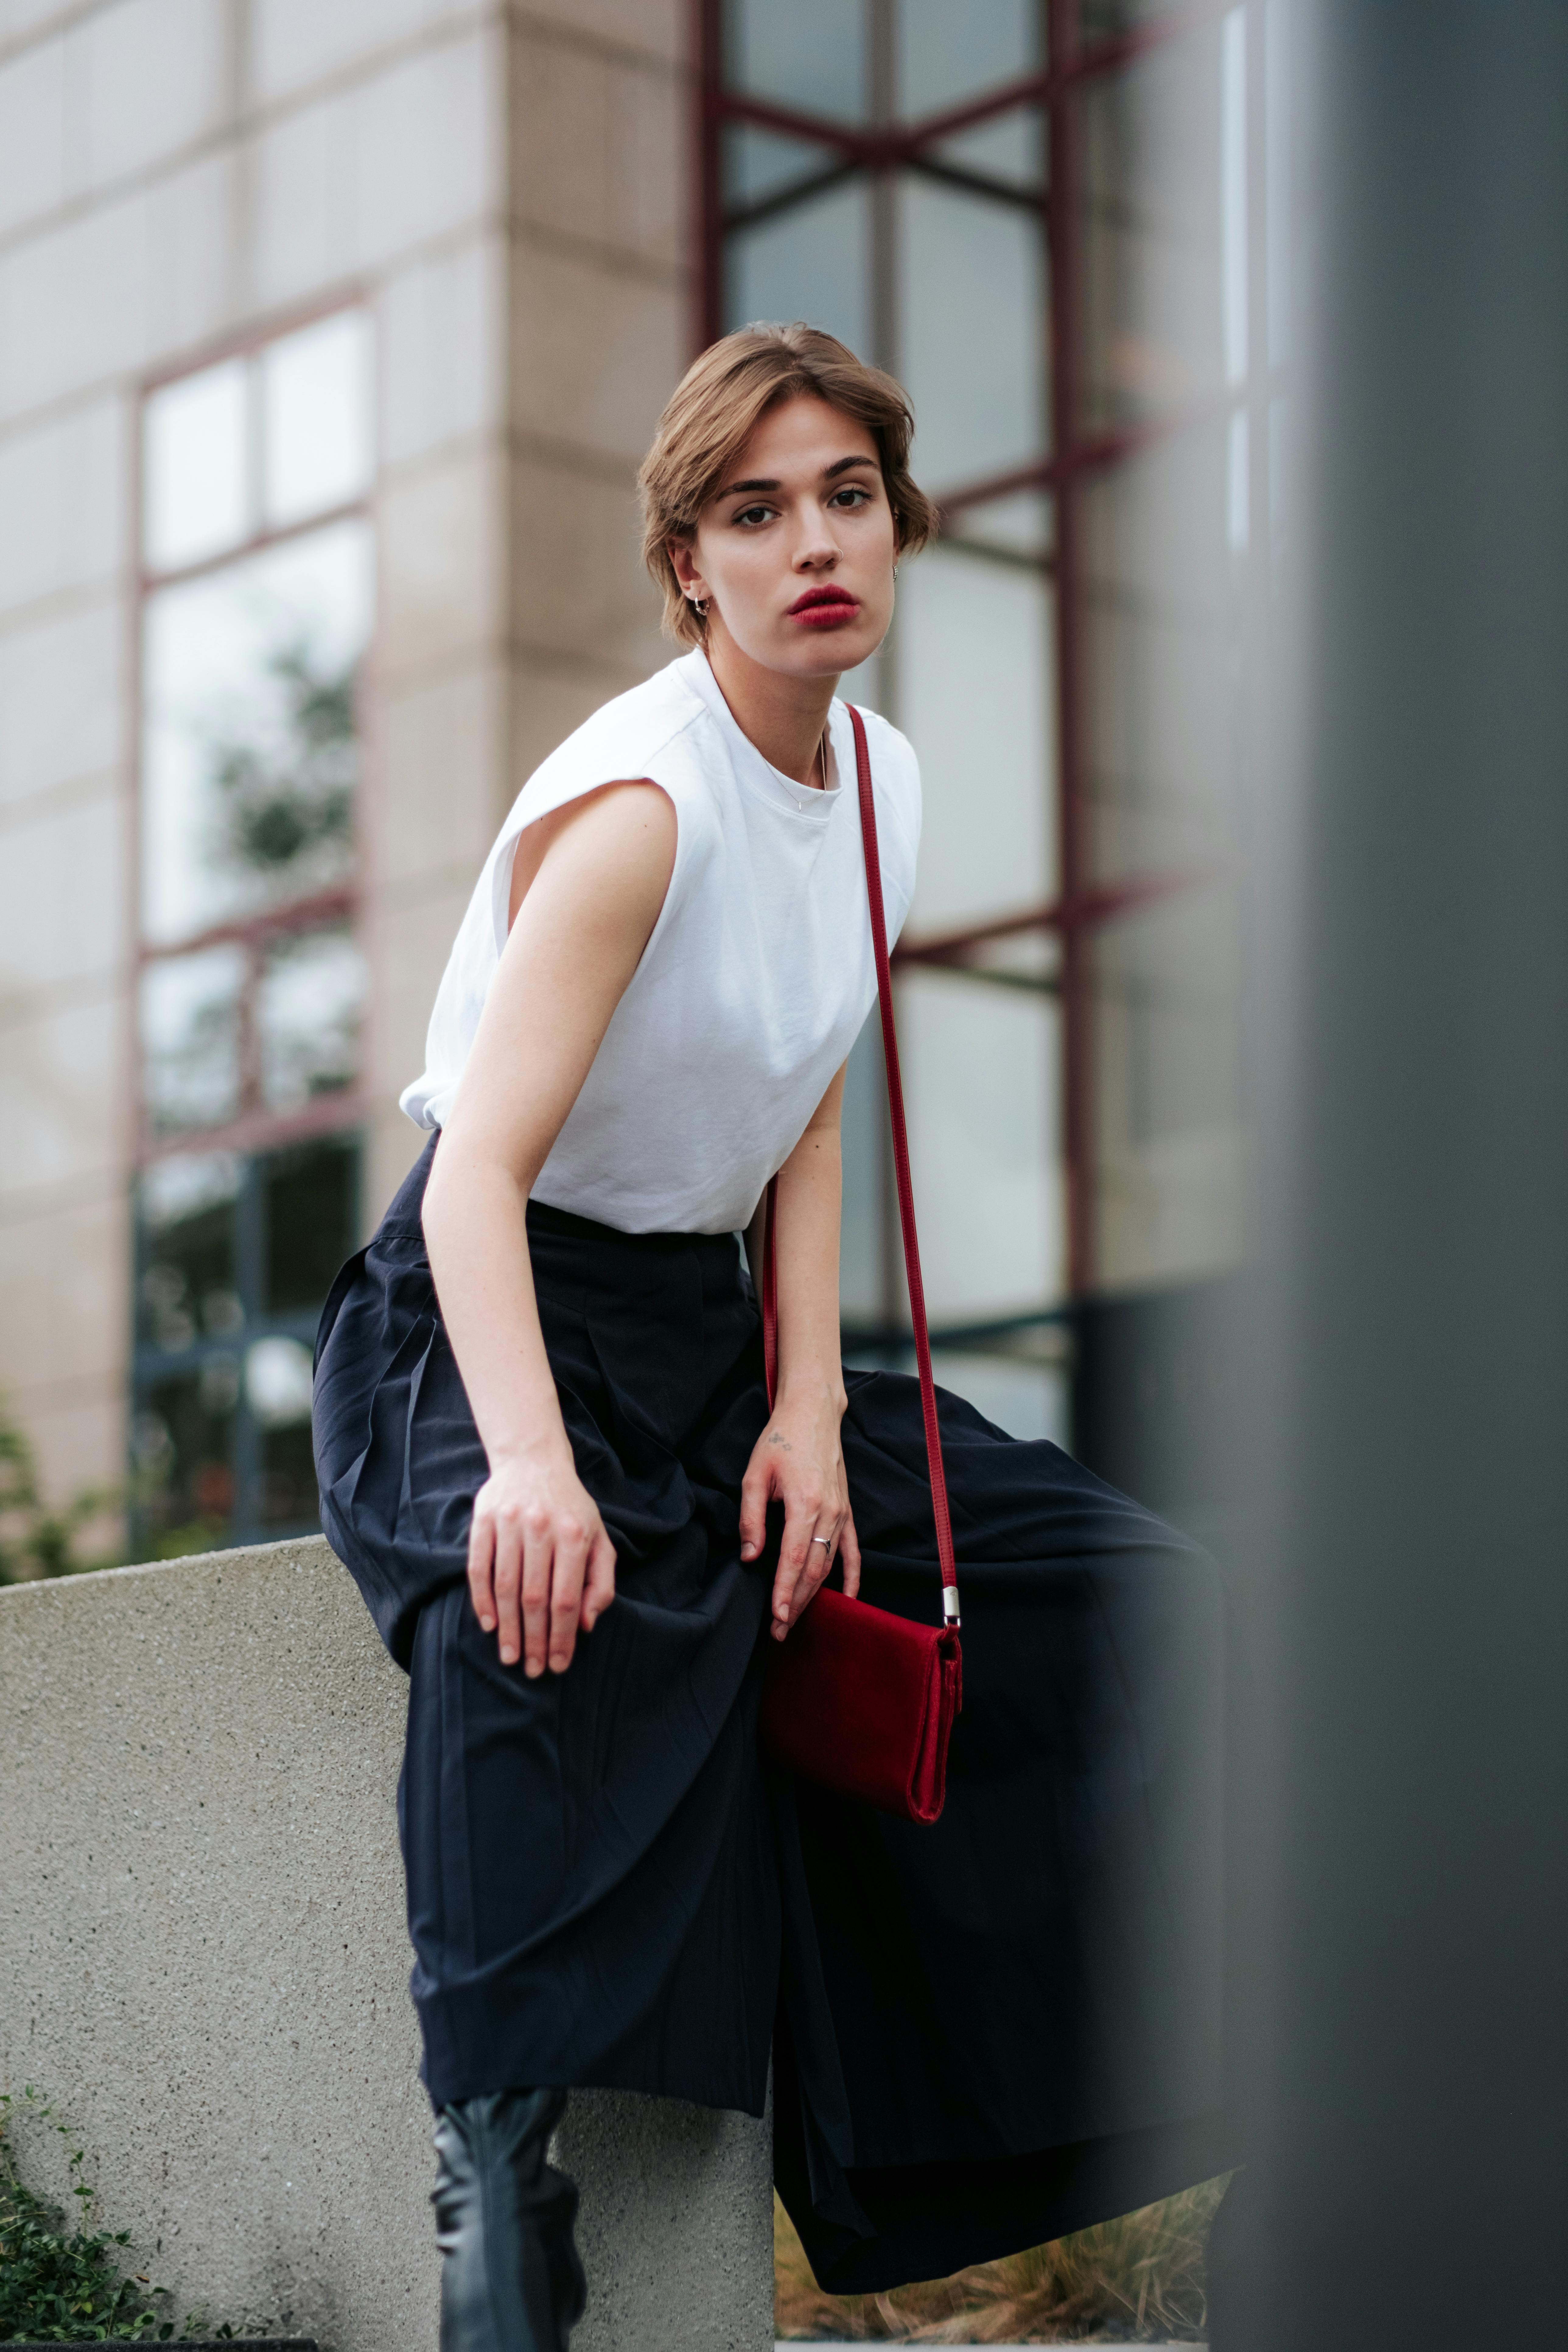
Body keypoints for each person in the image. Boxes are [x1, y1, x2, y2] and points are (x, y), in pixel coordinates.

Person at [313, 323, 1227, 2352]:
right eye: (755, 512)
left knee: (1102, 1579)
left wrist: (811, 1410)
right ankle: (497, 2189)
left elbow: (808, 1100)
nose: (813, 543)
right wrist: (532, 1461)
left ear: (895, 524)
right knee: (538, 1600)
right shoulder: (644, 807)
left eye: (844, 498)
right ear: (689, 568)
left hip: (710, 1321)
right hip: (482, 1301)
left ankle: (1009, 2127)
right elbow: (473, 1177)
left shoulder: (882, 779)